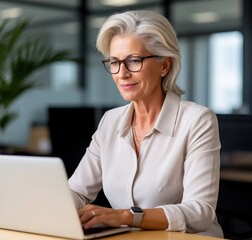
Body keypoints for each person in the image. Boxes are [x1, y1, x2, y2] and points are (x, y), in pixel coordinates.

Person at [68, 10, 223, 238]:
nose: (122, 74)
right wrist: (46, 207)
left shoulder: (197, 121)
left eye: (133, 61)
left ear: (164, 66)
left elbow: (200, 212)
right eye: (114, 62)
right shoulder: (110, 122)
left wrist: (127, 216)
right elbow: (78, 191)